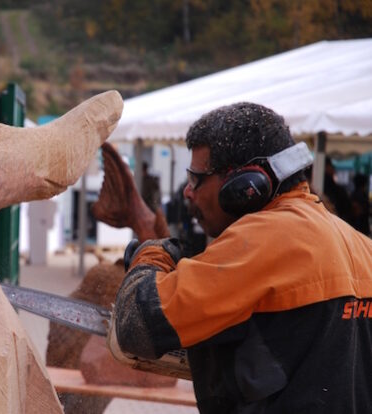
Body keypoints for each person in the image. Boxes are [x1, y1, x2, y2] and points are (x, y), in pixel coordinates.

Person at [108, 102, 372, 413]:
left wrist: (152, 255)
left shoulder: (265, 239)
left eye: (196, 179)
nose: (187, 193)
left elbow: (135, 326)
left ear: (245, 185)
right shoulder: (361, 246)